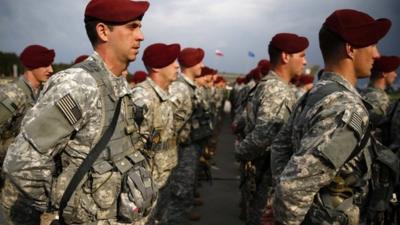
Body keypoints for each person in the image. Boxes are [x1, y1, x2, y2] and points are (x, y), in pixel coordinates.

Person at [1, 0, 153, 224]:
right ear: (103, 31)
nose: (141, 36)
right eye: (132, 26)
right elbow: (22, 163)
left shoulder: (117, 84)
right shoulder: (78, 84)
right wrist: (60, 209)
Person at [271, 9, 392, 224]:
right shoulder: (345, 107)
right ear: (350, 48)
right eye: (372, 44)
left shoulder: (315, 94)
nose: (377, 55)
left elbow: (280, 148)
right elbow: (293, 187)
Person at [234, 33, 308, 225]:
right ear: (285, 56)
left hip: (262, 173)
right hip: (267, 176)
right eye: (301, 55)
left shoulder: (271, 85)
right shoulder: (278, 90)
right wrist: (239, 152)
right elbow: (264, 135)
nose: (305, 62)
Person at [131, 43, 180, 225]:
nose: (177, 66)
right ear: (157, 67)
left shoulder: (163, 95)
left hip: (163, 176)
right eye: (171, 61)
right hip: (145, 185)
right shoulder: (142, 98)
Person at [160, 47, 205, 225]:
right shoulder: (180, 88)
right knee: (179, 188)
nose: (202, 65)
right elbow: (167, 121)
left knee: (184, 185)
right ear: (191, 64)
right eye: (199, 61)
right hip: (179, 147)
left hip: (188, 144)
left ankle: (183, 214)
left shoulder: (188, 86)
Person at [0, 44, 55, 187]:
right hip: (9, 168)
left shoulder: (39, 93)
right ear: (31, 66)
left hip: (23, 168)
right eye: (44, 65)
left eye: (50, 64)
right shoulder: (14, 94)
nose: (51, 70)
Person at [362, 56, 399, 126]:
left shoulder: (362, 94)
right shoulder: (381, 99)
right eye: (393, 71)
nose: (396, 75)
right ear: (384, 73)